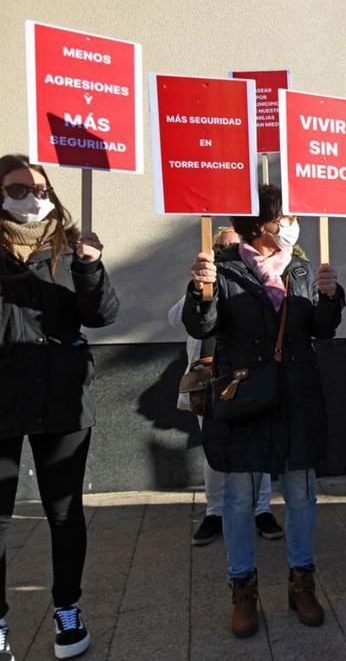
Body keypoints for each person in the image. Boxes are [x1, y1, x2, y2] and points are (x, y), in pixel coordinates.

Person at [184, 185, 345, 638]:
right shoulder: (225, 268)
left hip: (297, 395)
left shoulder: (301, 268)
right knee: (238, 499)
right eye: (286, 216)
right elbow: (203, 326)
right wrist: (202, 291)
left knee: (301, 494)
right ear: (261, 224)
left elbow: (321, 329)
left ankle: (302, 582)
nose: (294, 223)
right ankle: (243, 590)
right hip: (246, 396)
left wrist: (330, 297)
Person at [0, 154, 118, 660]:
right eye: (18, 189)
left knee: (65, 513)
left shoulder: (71, 249)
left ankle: (67, 609)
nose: (33, 197)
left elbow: (101, 315)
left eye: (41, 189)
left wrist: (90, 268)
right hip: (2, 400)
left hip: (62, 399)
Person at [170, 226, 283, 547]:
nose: (229, 252)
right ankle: (214, 511)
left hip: (246, 377)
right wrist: (200, 289)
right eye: (223, 247)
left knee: (258, 445)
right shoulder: (207, 280)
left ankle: (262, 510)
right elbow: (177, 318)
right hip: (209, 379)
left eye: (236, 247)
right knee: (214, 449)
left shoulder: (252, 284)